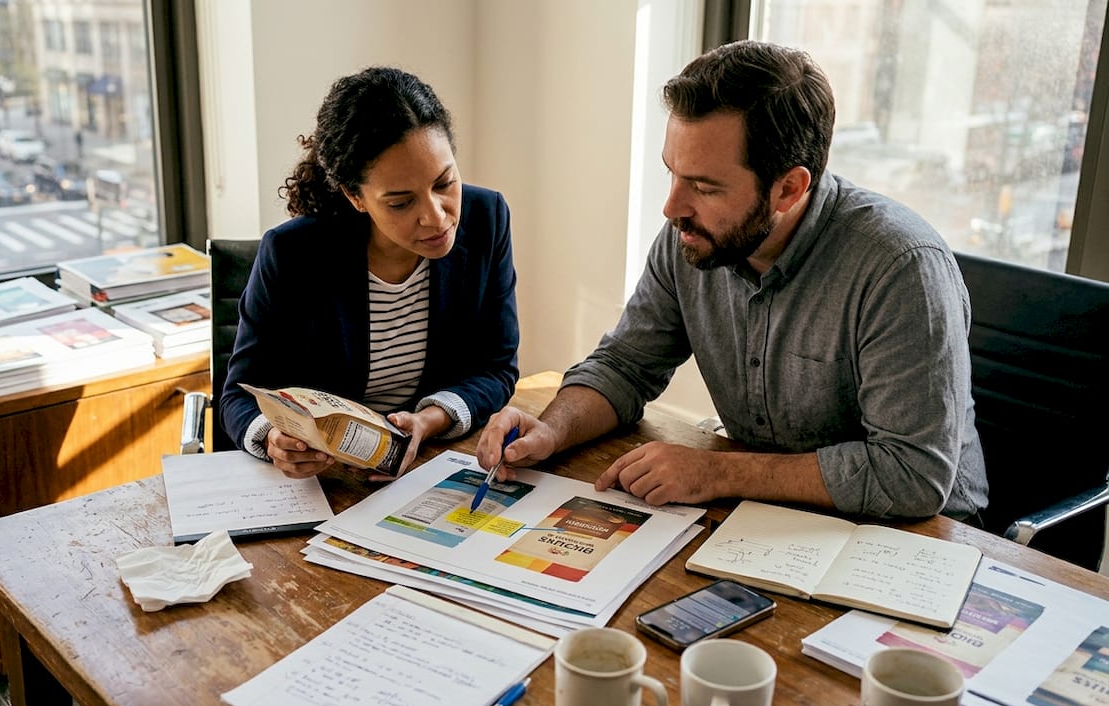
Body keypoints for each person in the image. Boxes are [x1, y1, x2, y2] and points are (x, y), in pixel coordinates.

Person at [477, 41, 988, 522]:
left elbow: (913, 474)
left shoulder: (901, 269)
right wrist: (551, 428)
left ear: (788, 188)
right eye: (672, 173)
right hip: (766, 519)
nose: (672, 208)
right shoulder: (694, 233)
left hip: (917, 541)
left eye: (703, 187)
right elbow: (626, 366)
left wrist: (717, 471)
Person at [221, 66, 520, 480]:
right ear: (355, 197)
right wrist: (273, 439)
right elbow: (239, 394)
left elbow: (496, 366)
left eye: (445, 183)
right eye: (401, 202)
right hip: (324, 480)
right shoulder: (293, 253)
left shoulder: (488, 219)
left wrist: (428, 420)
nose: (436, 217)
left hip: (428, 464)